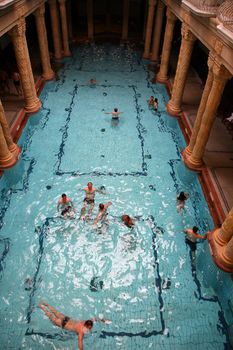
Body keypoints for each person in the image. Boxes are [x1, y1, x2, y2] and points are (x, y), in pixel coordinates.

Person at [39, 301, 110, 350]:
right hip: (62, 324)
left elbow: (95, 319)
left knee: (55, 312)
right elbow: (80, 342)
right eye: (90, 328)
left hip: (66, 318)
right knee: (51, 316)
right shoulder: (81, 331)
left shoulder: (85, 322)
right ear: (88, 326)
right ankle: (42, 307)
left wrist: (103, 320)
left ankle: (45, 304)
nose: (91, 329)